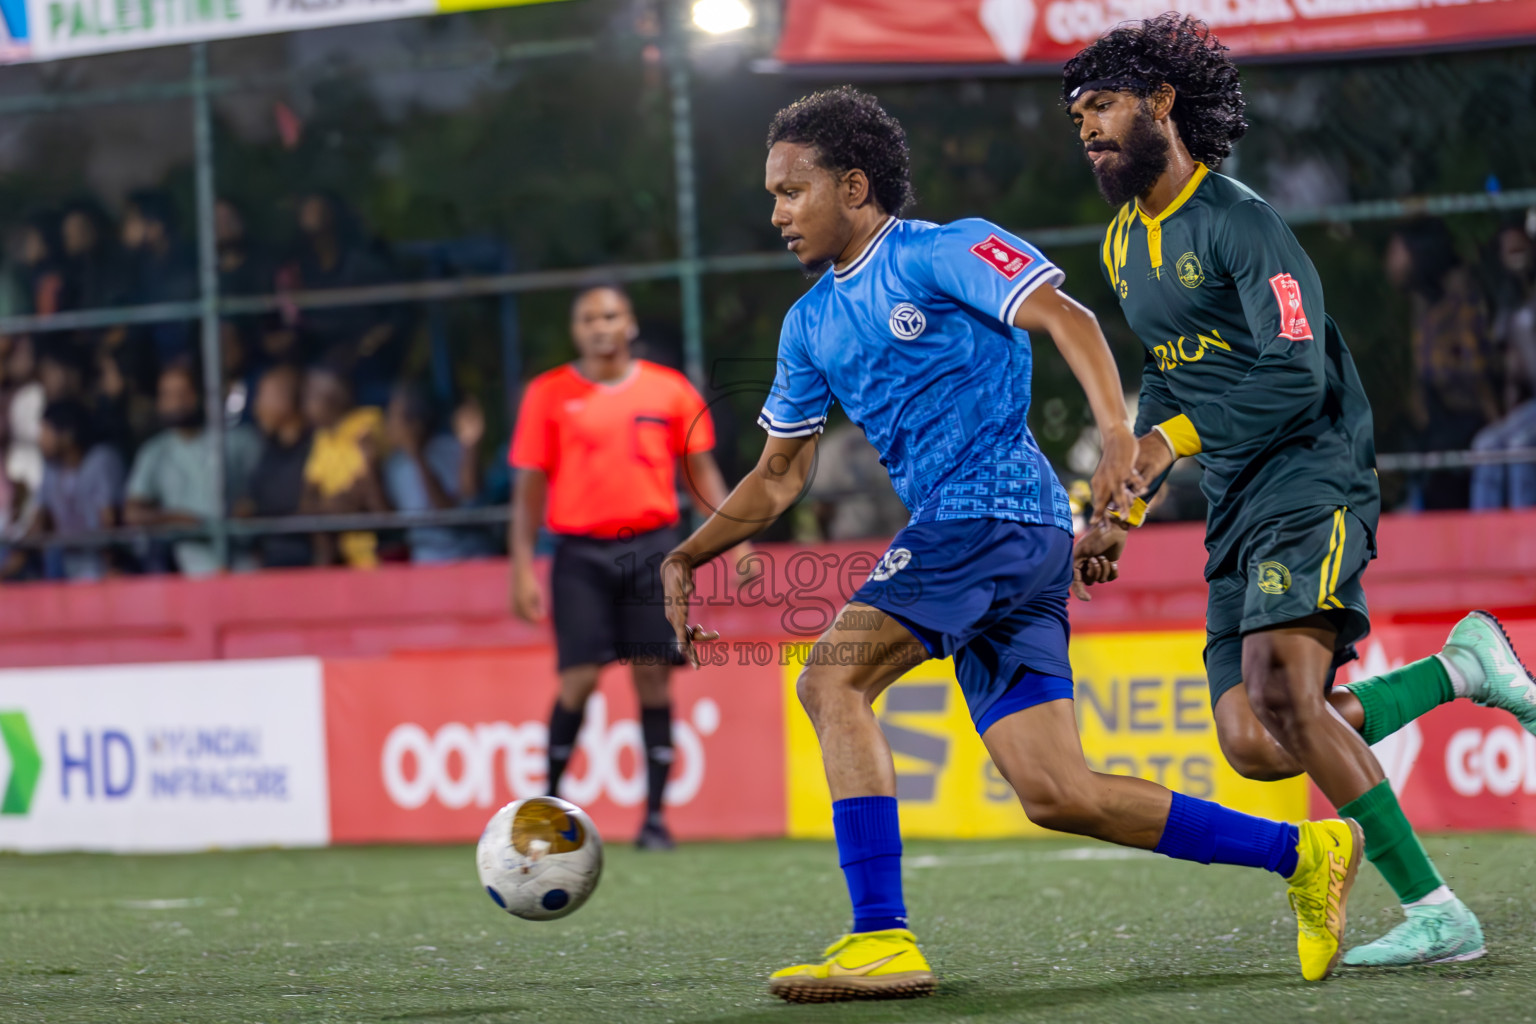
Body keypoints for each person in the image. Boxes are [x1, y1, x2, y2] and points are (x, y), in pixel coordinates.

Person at [661, 86, 1366, 1001]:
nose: (777, 214)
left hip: (988, 516)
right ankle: (1305, 851)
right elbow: (779, 478)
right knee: (1057, 792)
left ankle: (881, 937)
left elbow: (1067, 319)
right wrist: (685, 556)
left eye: (793, 191)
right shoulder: (809, 325)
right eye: (772, 195)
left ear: (856, 184)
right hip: (1000, 540)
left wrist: (1119, 432)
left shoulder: (943, 250)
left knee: (832, 678)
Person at [1062, 14, 1536, 968]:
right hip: (1235, 493)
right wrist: (1131, 498)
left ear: (1162, 102)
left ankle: (1438, 911)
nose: (1088, 127)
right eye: (1078, 114)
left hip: (1311, 469)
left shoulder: (1242, 222)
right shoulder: (1121, 243)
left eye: (1104, 105)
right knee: (1258, 739)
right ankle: (1461, 670)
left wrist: (1166, 443)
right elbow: (1168, 377)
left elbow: (1295, 376)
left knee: (1283, 687)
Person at [509, 283, 744, 852]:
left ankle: (656, 820)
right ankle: (548, 812)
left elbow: (701, 473)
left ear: (630, 324)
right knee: (579, 680)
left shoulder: (669, 390)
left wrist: (737, 540)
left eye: (610, 314)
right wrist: (520, 565)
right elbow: (528, 490)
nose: (600, 325)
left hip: (651, 550)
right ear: (576, 330)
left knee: (652, 674)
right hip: (578, 554)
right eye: (588, 317)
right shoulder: (548, 394)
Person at [124, 362, 261, 576]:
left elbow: (269, 489)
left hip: (247, 568)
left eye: (183, 393)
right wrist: (180, 520)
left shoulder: (238, 440)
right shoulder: (155, 452)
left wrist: (250, 507)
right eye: (167, 394)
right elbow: (133, 512)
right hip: (193, 576)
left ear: (201, 394)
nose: (176, 402)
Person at [382, 383, 491, 563]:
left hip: (467, 557)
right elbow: (389, 520)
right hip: (427, 562)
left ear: (415, 424)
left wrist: (418, 457)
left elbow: (449, 512)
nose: (389, 425)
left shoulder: (450, 451)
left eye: (394, 417)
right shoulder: (394, 466)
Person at [1470, 222, 1536, 509]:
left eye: (1520, 246)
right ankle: (1484, 538)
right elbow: (1514, 373)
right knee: (1485, 445)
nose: (1515, 253)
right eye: (1508, 248)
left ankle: (1525, 533)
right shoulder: (1511, 306)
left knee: (1520, 444)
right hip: (1531, 406)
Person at [301, 363, 386, 568]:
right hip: (340, 558)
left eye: (311, 395)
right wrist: (332, 510)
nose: (305, 404)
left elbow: (363, 497)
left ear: (337, 395)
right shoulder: (322, 437)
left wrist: (324, 512)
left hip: (374, 559)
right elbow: (307, 498)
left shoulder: (368, 423)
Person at [33, 397, 124, 581]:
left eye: (45, 431)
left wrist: (112, 567)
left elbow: (109, 522)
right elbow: (38, 523)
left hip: (102, 568)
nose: (40, 439)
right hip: (65, 568)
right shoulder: (51, 469)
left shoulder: (101, 459)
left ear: (67, 434)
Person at [242, 364, 314, 569]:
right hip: (271, 566)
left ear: (287, 399)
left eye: (263, 396)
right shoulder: (267, 452)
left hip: (313, 568)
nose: (256, 407)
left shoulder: (318, 449)